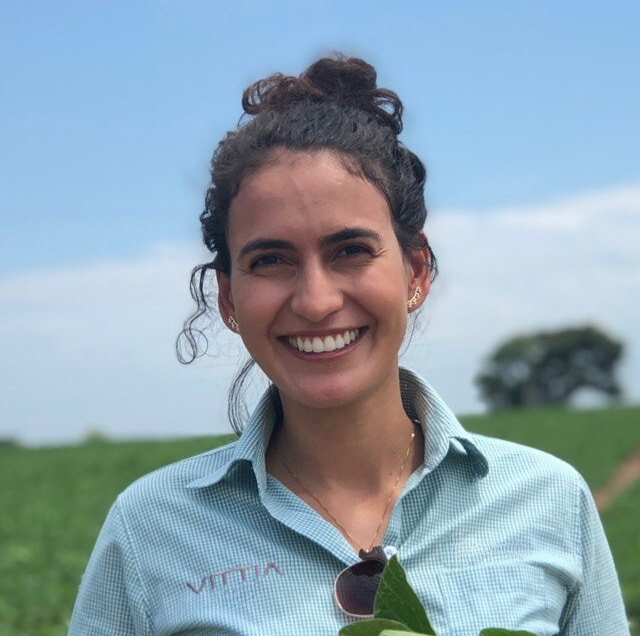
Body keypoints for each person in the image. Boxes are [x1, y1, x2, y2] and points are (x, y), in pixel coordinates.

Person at [68, 54, 630, 636]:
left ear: (416, 272)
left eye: (351, 251)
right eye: (271, 260)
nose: (316, 301)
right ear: (229, 299)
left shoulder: (549, 499)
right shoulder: (149, 530)